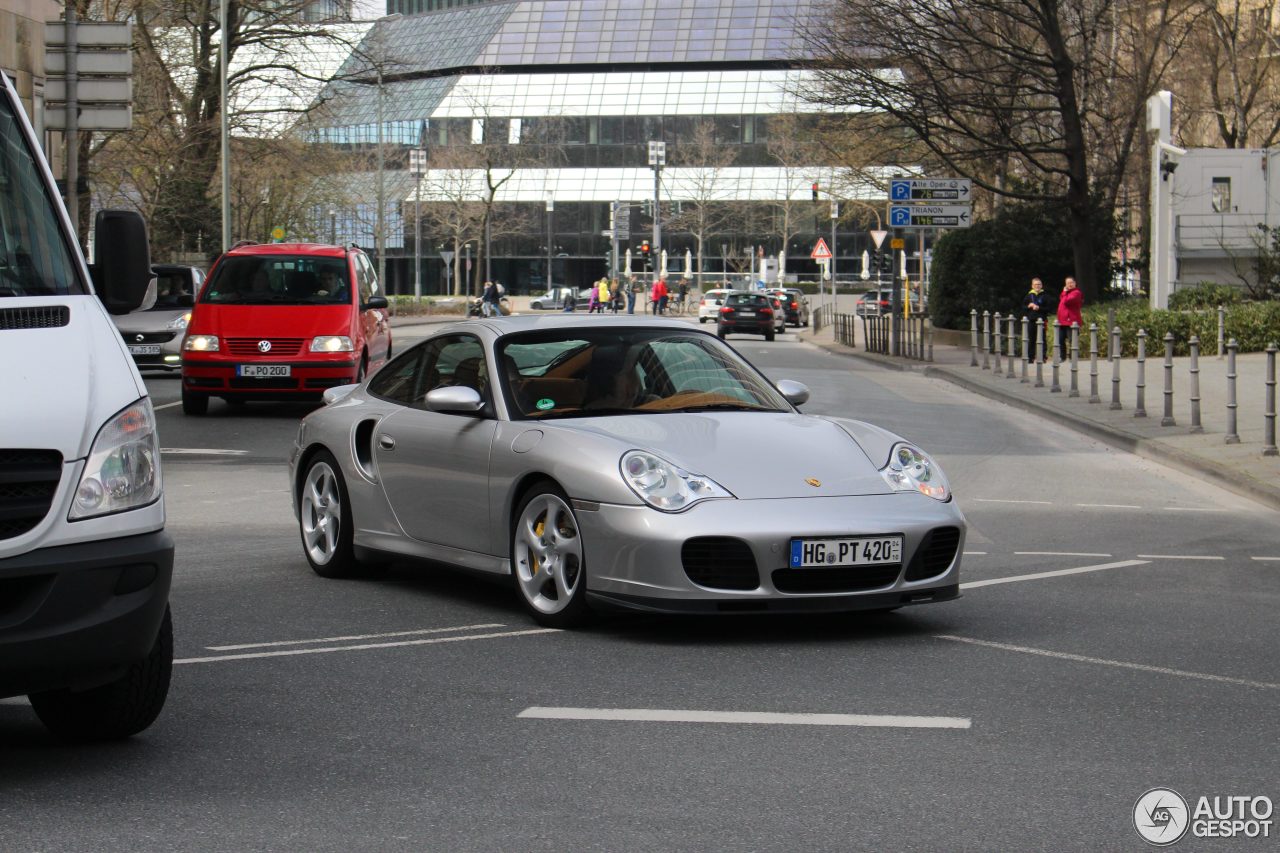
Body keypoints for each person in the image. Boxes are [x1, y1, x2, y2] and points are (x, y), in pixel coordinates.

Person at [1056, 275, 1084, 362]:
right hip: (1062, 321)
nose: (1070, 284)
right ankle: (1062, 357)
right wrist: (1064, 293)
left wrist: (1064, 292)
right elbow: (1062, 300)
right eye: (1068, 283)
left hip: (1072, 321)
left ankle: (1073, 357)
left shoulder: (1076, 293)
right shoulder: (1066, 293)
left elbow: (1067, 301)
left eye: (1071, 282)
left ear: (1075, 283)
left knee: (1072, 340)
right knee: (1060, 340)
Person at [1021, 277, 1048, 362]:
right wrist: (1028, 306)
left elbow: (1049, 308)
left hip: (1042, 320)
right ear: (1032, 286)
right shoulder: (1028, 296)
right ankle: (1030, 357)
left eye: (1039, 284)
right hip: (1031, 320)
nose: (1037, 286)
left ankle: (1043, 356)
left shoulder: (1045, 296)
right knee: (1031, 339)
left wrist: (1039, 308)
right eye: (1035, 284)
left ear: (1042, 285)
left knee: (1042, 339)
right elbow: (1023, 307)